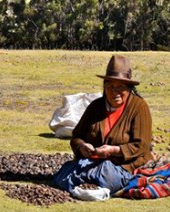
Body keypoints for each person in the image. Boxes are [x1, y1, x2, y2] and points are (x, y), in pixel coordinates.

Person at [54, 55, 153, 198]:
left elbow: (141, 145)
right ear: (104, 87)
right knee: (63, 175)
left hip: (122, 165)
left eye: (121, 87)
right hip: (92, 161)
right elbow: (77, 136)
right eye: (110, 86)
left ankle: (95, 186)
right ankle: (92, 187)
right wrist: (82, 146)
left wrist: (114, 150)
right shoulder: (96, 106)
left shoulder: (139, 107)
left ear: (129, 88)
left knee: (105, 173)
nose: (115, 92)